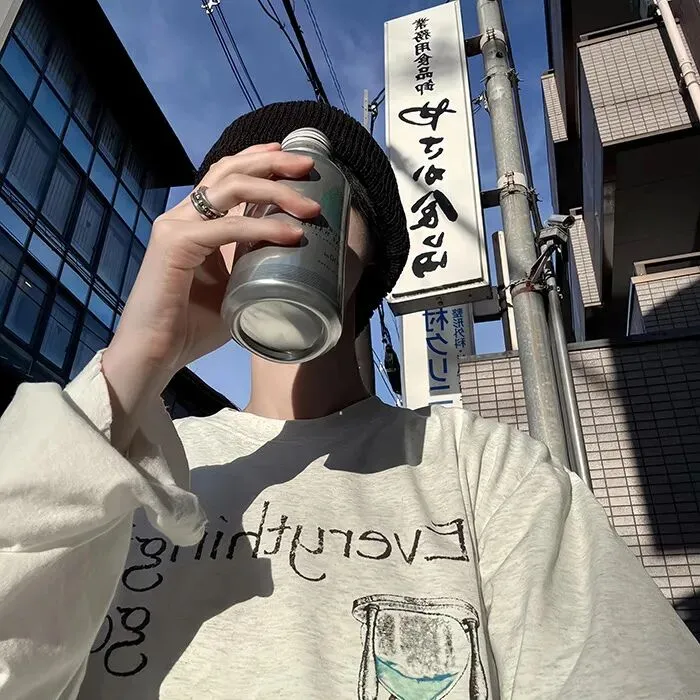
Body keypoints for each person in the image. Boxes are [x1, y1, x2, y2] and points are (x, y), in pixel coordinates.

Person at [0, 101, 698, 700]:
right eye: (251, 187)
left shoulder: (484, 468)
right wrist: (137, 364)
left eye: (318, 186)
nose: (281, 205)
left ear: (373, 251)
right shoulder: (129, 460)